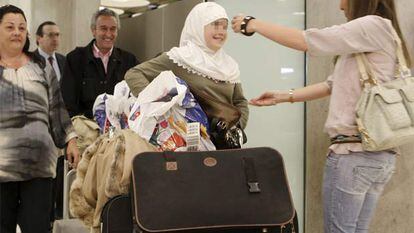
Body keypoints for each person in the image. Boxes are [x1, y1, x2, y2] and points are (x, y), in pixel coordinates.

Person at [231, 0, 411, 232]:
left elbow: (307, 40)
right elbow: (331, 85)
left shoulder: (372, 25)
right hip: (378, 157)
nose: (340, 6)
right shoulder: (383, 33)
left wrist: (252, 23)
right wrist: (282, 96)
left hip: (354, 154)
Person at [0, 5, 79, 233]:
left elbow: (57, 107)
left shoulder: (41, 65)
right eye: (10, 27)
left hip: (40, 166)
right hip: (2, 166)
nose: (17, 32)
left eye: (22, 28)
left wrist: (71, 140)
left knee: (38, 228)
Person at [125, 2, 249, 146]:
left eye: (224, 26)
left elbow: (240, 102)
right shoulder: (180, 58)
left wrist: (235, 129)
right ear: (198, 25)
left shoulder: (230, 65)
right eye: (215, 24)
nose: (221, 31)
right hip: (188, 145)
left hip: (222, 144)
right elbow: (134, 74)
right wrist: (160, 107)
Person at [61, 8, 138, 119]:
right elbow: (67, 101)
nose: (108, 34)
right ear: (93, 30)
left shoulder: (129, 60)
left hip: (120, 129)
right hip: (86, 128)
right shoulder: (75, 59)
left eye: (113, 29)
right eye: (103, 29)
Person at [35, 20, 67, 221]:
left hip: (59, 126)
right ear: (39, 38)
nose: (55, 39)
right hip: (39, 129)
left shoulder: (64, 61)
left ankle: (57, 216)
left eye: (57, 34)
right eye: (50, 35)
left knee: (59, 172)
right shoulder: (30, 62)